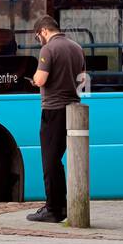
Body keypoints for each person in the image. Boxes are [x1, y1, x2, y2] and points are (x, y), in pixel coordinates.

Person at [27, 15, 86, 223]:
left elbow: (41, 78)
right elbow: (83, 80)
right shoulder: (76, 47)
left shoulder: (48, 49)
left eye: (38, 36)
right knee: (56, 159)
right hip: (72, 109)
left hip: (53, 109)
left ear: (44, 31)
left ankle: (53, 209)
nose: (39, 40)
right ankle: (60, 205)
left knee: (49, 161)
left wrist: (34, 80)